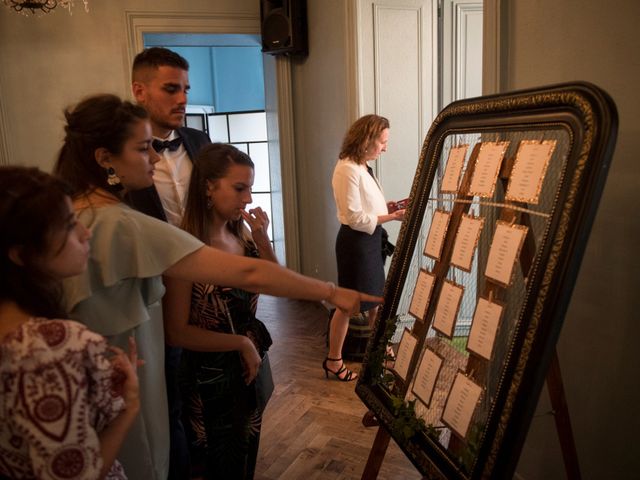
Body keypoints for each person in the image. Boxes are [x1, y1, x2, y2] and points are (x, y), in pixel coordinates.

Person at [53, 93, 380, 480]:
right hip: (133, 375)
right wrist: (330, 291)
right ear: (105, 158)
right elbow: (247, 276)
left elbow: (255, 273)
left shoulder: (80, 211)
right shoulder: (119, 223)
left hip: (106, 374)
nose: (156, 159)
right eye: (144, 149)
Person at [0, 166, 141, 479]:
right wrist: (128, 407)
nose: (85, 232)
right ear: (21, 254)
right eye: (68, 225)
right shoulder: (48, 346)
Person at [162, 143, 276, 478]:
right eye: (240, 188)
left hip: (248, 368)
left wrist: (263, 239)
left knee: (245, 456)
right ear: (208, 186)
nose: (249, 199)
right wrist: (241, 344)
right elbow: (177, 331)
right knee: (218, 463)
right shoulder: (185, 248)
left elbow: (273, 284)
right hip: (210, 379)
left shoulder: (243, 237)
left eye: (250, 188)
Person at [128, 46, 211, 478]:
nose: (182, 98)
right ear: (139, 90)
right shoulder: (122, 154)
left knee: (208, 375)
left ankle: (207, 452)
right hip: (152, 292)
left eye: (186, 89)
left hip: (207, 280)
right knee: (167, 381)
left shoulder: (199, 141)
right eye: (171, 88)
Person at [325, 114, 405, 381]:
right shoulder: (346, 169)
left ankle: (379, 354)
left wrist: (388, 207)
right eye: (383, 142)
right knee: (348, 306)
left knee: (375, 303)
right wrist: (392, 218)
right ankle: (334, 361)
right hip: (355, 246)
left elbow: (367, 209)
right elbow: (353, 218)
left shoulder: (363, 166)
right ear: (366, 140)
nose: (386, 148)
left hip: (369, 242)